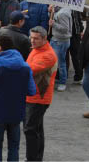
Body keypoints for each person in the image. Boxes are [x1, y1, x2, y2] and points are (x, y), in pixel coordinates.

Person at [24, 26, 58, 161]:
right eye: (31, 37)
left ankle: (32, 159)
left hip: (38, 98)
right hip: (34, 96)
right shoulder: (37, 50)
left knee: (30, 129)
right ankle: (36, 158)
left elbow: (29, 70)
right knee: (36, 129)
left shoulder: (47, 55)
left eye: (36, 38)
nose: (32, 41)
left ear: (45, 39)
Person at [48, 4, 72, 91]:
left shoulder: (63, 13)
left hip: (60, 41)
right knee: (55, 62)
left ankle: (62, 82)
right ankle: (60, 80)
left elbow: (65, 28)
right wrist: (50, 12)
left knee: (61, 63)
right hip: (56, 39)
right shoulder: (59, 9)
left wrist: (53, 24)